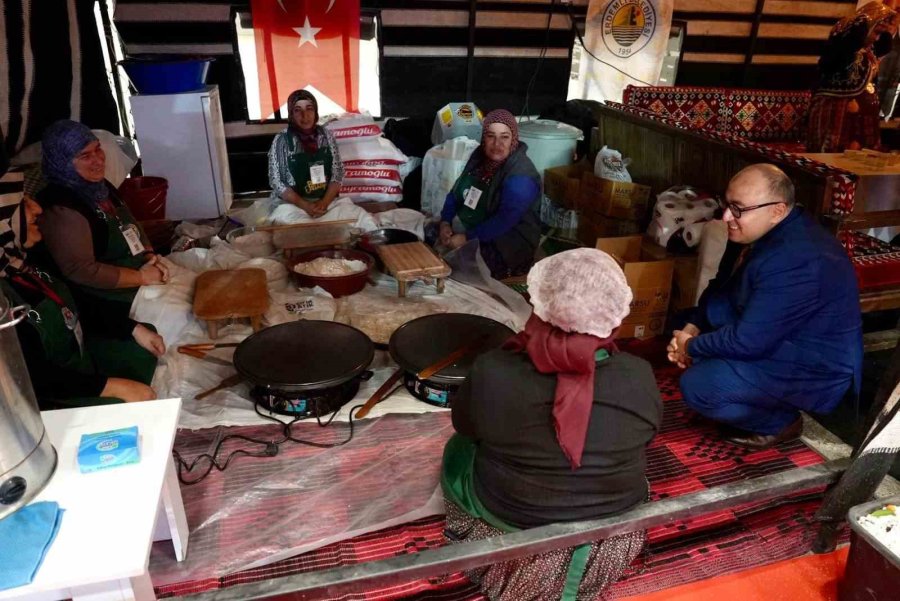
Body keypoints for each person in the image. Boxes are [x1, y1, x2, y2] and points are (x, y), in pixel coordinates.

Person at [443, 248, 662, 601]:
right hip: (611, 538)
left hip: (513, 524)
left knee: (458, 448)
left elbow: (465, 428)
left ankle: (473, 540)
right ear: (613, 315)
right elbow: (649, 434)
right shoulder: (638, 373)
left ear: (539, 307)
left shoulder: (493, 370)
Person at [668, 164, 863, 449]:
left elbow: (748, 341)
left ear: (777, 211)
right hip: (772, 334)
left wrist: (691, 347)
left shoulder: (798, 259)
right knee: (681, 321)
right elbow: (721, 285)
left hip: (811, 363)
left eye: (737, 209)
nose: (725, 217)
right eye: (726, 205)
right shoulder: (753, 231)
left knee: (700, 387)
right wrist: (692, 327)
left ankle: (779, 422)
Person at [0, 196, 163, 409]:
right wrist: (111, 387)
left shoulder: (22, 261)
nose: (37, 208)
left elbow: (75, 304)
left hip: (78, 362)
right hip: (46, 397)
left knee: (142, 347)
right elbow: (32, 377)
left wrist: (132, 328)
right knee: (123, 402)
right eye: (22, 204)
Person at [36, 120, 167, 315]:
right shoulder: (61, 208)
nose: (98, 160)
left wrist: (149, 255)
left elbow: (130, 222)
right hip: (105, 300)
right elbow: (81, 270)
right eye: (85, 156)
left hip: (141, 274)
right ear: (62, 162)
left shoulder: (97, 186)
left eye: (98, 149)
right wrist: (141, 277)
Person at [438, 109, 541, 279]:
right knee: (429, 236)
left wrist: (466, 238)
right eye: (491, 136)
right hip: (477, 226)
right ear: (483, 137)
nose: (497, 144)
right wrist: (445, 222)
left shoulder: (521, 175)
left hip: (508, 242)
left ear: (513, 138)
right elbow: (456, 192)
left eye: (504, 137)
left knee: (459, 267)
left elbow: (505, 219)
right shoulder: (480, 157)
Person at [267, 90, 376, 229]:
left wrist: (324, 202)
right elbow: (276, 181)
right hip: (294, 206)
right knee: (289, 226)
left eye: (309, 109)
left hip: (326, 204)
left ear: (316, 111)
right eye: (297, 110)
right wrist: (305, 205)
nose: (305, 116)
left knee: (361, 218)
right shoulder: (282, 140)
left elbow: (338, 173)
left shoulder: (326, 136)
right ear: (291, 114)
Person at [807, 1, 900, 152]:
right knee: (835, 151)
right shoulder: (848, 46)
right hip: (839, 106)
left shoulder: (868, 51)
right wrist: (851, 99)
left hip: (861, 110)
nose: (877, 39)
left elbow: (882, 50)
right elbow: (836, 68)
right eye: (876, 32)